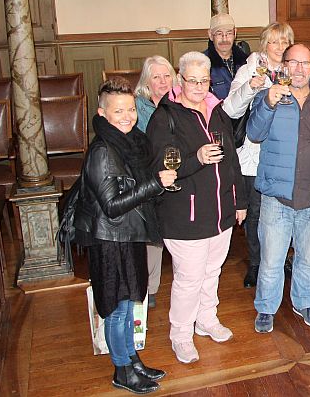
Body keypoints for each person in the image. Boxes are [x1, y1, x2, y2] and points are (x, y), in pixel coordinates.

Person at [146, 51, 246, 364]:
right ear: (180, 80)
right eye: (193, 81)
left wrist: (239, 201)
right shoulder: (166, 117)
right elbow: (163, 166)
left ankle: (206, 319)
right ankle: (180, 335)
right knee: (188, 279)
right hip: (185, 214)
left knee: (211, 272)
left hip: (220, 211)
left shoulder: (216, 112)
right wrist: (197, 159)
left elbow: (232, 160)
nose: (200, 87)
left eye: (205, 81)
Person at [76, 78, 176, 394]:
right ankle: (121, 370)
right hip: (110, 241)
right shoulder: (103, 151)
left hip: (127, 235)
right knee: (117, 309)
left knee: (131, 303)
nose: (127, 116)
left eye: (131, 109)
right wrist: (155, 183)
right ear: (102, 113)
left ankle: (132, 359)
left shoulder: (132, 142)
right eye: (118, 111)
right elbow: (113, 205)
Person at [247, 43, 310, 333]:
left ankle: (304, 301)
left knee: (306, 257)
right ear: (284, 67)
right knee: (273, 259)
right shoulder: (270, 97)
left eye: (305, 63)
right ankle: (266, 307)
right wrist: (267, 104)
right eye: (294, 63)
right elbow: (253, 133)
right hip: (278, 195)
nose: (299, 69)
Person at [223, 22, 293, 288]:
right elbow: (229, 108)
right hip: (253, 153)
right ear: (265, 44)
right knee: (255, 212)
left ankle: (280, 258)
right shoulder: (252, 68)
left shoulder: (292, 71)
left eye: (284, 42)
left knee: (282, 210)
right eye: (274, 42)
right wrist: (251, 87)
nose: (279, 47)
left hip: (283, 153)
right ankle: (256, 262)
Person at [134, 55, 177, 309]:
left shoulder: (179, 102)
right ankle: (149, 288)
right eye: (156, 77)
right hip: (149, 176)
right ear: (146, 82)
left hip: (178, 171)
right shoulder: (138, 108)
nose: (162, 82)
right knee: (152, 235)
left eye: (166, 76)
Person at [205, 13, 249, 100]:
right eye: (219, 34)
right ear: (210, 35)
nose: (224, 39)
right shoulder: (202, 63)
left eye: (228, 33)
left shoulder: (247, 61)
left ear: (235, 33)